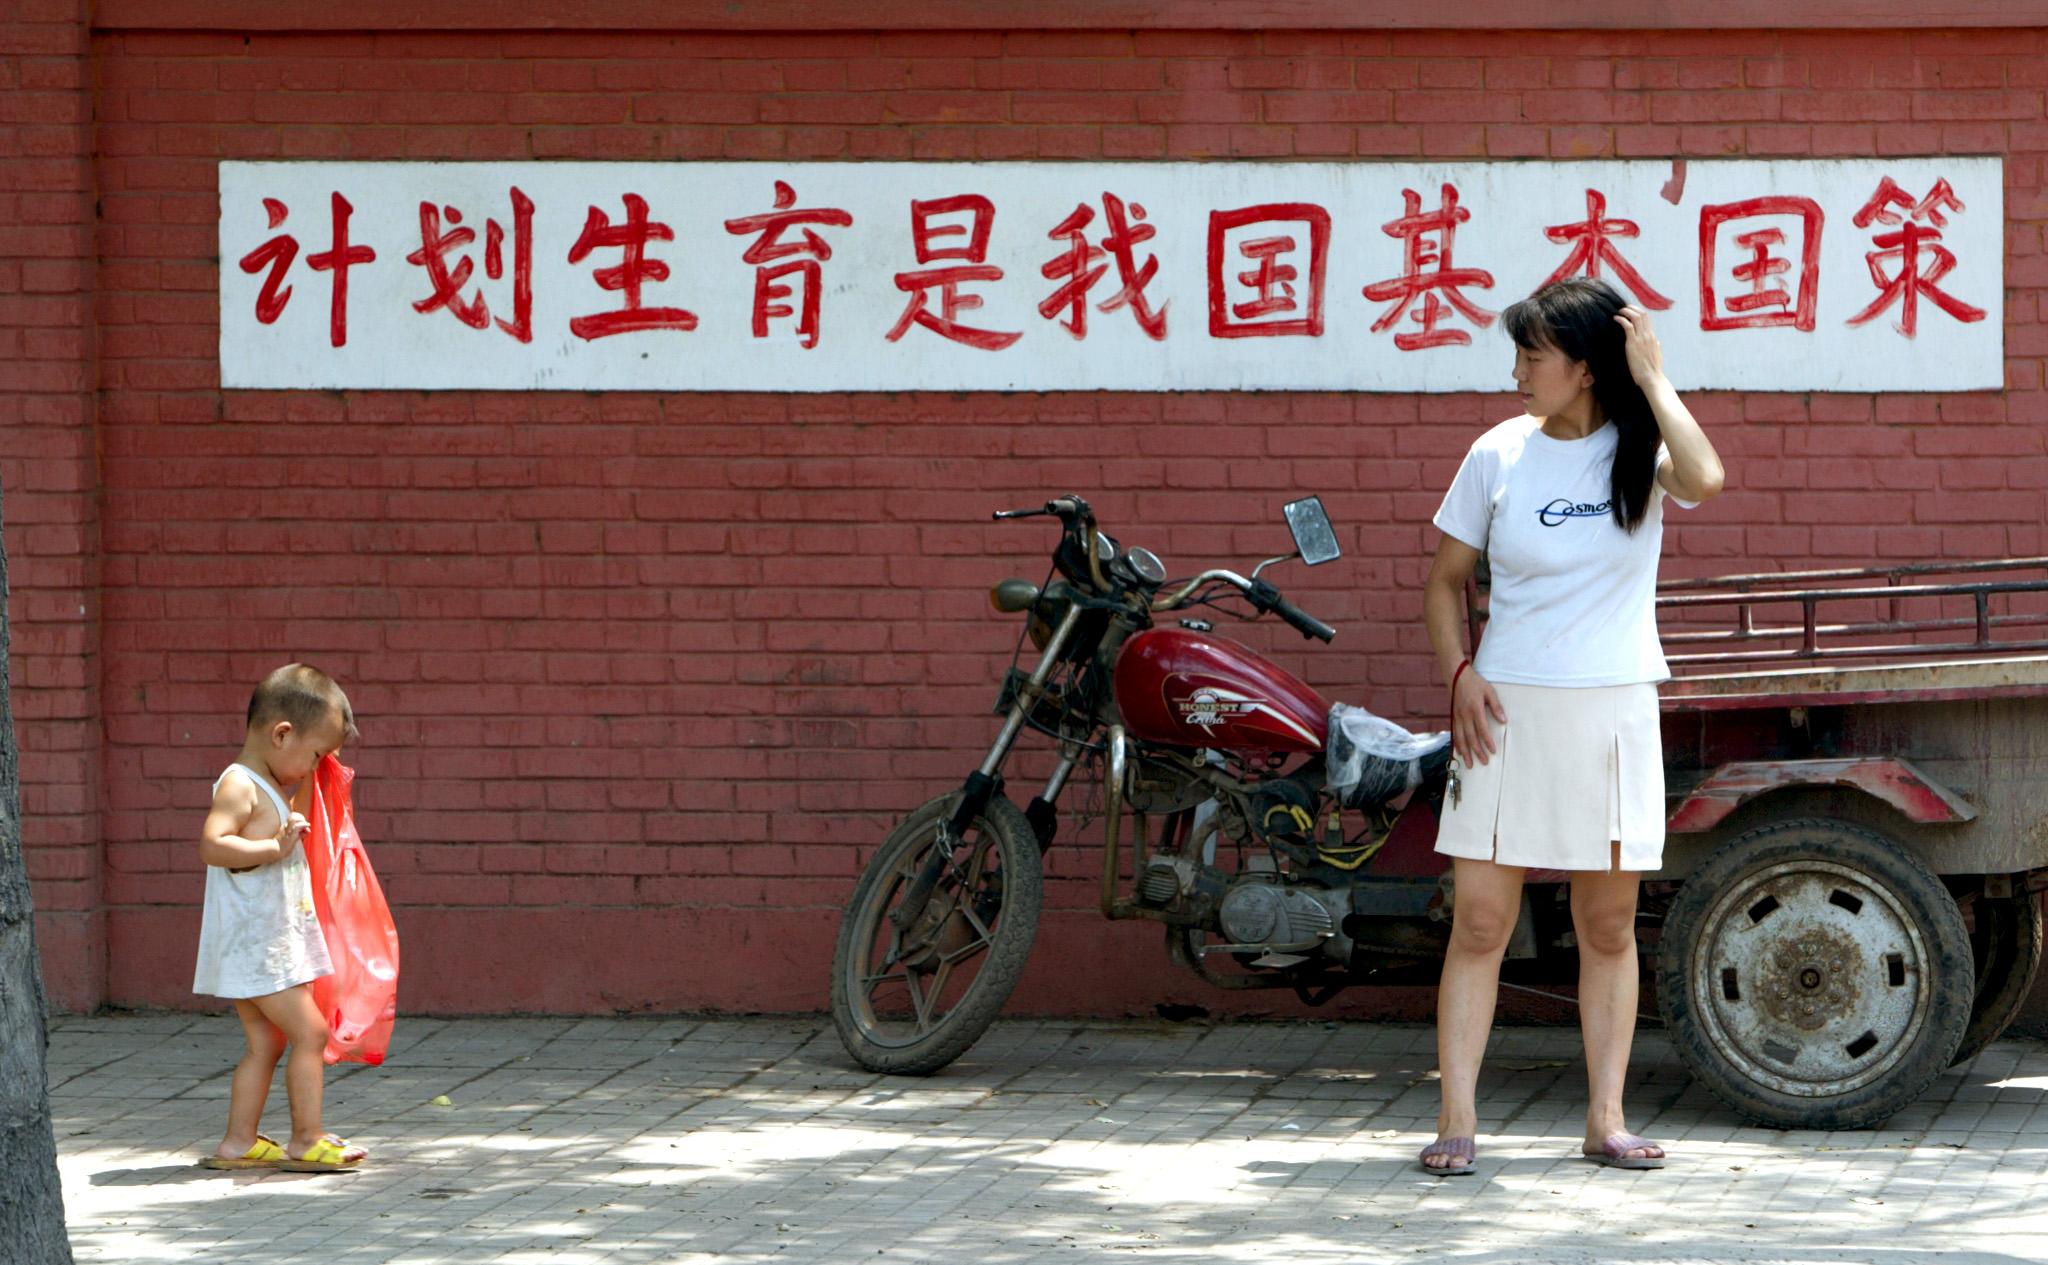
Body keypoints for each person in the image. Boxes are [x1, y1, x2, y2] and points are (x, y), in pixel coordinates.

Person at [1417, 278, 1725, 1176]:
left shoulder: (1642, 450)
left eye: (1533, 356)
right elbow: (1444, 583)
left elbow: (1706, 477)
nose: (1517, 372)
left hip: (1614, 709)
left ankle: (1605, 1118)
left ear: (1585, 369)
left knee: (1607, 925)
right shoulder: (1497, 454)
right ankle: (1457, 1117)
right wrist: (1460, 674)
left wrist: (1655, 377)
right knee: (1479, 920)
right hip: (1505, 712)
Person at [193, 663, 367, 1172]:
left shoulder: (271, 781)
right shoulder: (239, 784)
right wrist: (273, 846)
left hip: (265, 944)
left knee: (265, 1042)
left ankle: (238, 1143)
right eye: (315, 755)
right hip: (257, 946)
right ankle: (307, 1138)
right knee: (311, 1034)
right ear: (282, 733)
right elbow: (212, 844)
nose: (315, 767)